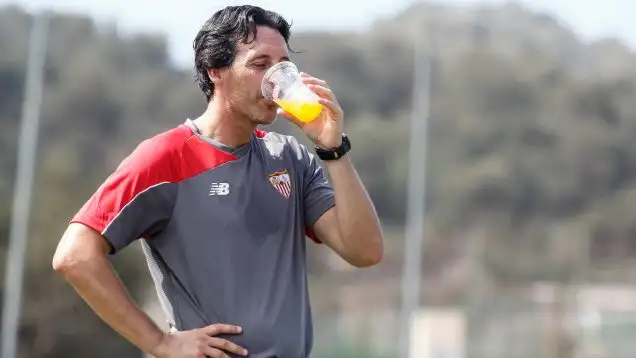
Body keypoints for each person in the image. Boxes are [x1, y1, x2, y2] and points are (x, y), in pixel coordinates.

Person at [52, 5, 383, 358]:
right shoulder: (166, 156)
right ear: (215, 71)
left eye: (284, 65)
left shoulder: (291, 158)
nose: (277, 79)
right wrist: (159, 343)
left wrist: (334, 149)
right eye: (259, 65)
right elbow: (75, 256)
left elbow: (364, 251)